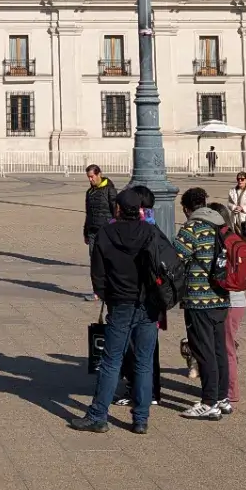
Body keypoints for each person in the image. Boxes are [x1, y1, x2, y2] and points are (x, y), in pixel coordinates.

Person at [70, 185, 165, 435]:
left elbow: (97, 274)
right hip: (148, 304)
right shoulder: (150, 232)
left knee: (112, 362)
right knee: (144, 363)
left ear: (119, 208)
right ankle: (141, 419)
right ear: (140, 210)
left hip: (120, 302)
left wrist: (106, 294)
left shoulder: (105, 233)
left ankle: (99, 415)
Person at [174, 188, 229, 421]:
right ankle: (222, 397)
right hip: (221, 297)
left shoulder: (191, 228)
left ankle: (208, 402)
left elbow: (175, 260)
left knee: (203, 351)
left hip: (198, 300)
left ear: (187, 208)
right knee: (219, 349)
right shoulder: (220, 224)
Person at [214, 203, 246, 410]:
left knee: (227, 348)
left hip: (229, 300)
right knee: (227, 345)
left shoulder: (221, 241)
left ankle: (230, 391)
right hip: (239, 299)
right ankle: (225, 388)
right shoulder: (234, 237)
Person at [82, 164, 116, 247]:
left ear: (99, 174)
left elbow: (116, 211)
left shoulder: (110, 190)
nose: (90, 180)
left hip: (106, 231)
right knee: (93, 257)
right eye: (88, 177)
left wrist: (112, 227)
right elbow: (88, 214)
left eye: (92, 176)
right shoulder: (89, 192)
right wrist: (86, 233)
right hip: (92, 231)